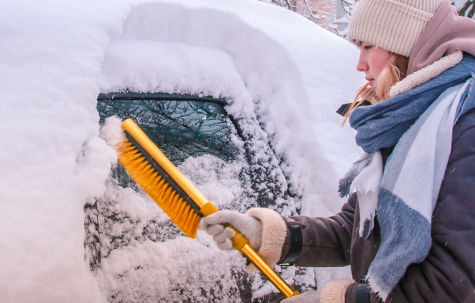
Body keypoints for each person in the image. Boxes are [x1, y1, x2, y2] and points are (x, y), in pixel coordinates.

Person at [200, 0, 475, 302]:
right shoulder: (405, 123)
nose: (360, 63)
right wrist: (268, 234)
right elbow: (354, 233)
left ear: (407, 45)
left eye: (369, 46)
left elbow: (452, 284)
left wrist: (335, 300)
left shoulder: (462, 129)